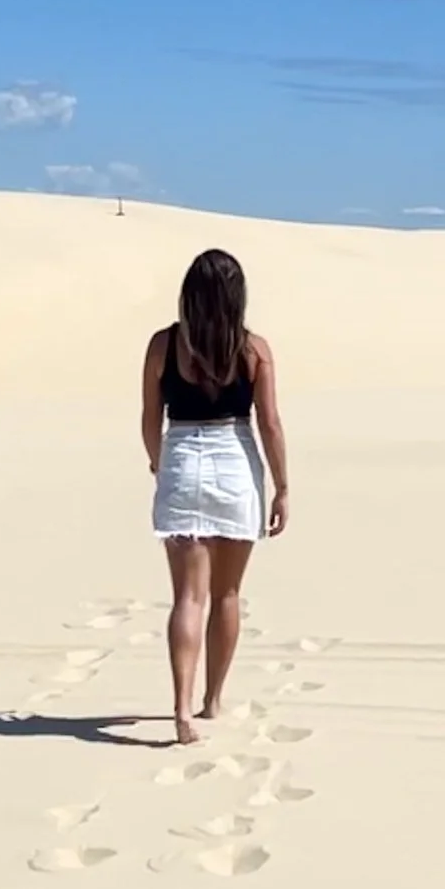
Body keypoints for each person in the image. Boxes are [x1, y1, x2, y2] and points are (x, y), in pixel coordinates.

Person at [142, 247, 290, 743]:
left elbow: (149, 419)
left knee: (188, 596)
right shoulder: (253, 349)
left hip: (182, 453)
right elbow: (269, 423)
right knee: (227, 594)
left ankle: (181, 707)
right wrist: (283, 486)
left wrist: (160, 465)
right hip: (235, 461)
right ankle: (211, 701)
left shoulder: (164, 345)